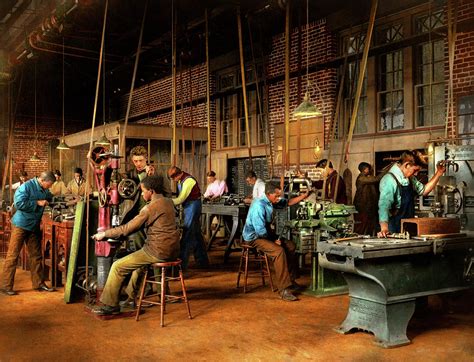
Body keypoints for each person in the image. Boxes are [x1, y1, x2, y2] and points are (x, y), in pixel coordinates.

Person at [91, 176, 180, 315]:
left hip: (157, 252)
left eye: (144, 191)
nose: (143, 194)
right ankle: (130, 297)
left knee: (118, 266)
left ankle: (110, 305)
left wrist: (104, 234)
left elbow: (127, 229)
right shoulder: (169, 202)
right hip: (173, 250)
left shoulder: (149, 208)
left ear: (151, 191)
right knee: (138, 266)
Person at [242, 181, 309, 301]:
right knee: (278, 251)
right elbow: (260, 230)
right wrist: (273, 240)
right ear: (268, 193)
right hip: (254, 237)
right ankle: (284, 289)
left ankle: (291, 279)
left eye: (279, 195)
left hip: (265, 233)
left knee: (291, 245)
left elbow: (288, 202)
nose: (278, 198)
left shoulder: (272, 200)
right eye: (276, 196)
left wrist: (304, 196)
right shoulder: (258, 205)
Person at [0, 171, 56, 296]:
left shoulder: (43, 189)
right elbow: (19, 204)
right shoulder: (26, 186)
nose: (50, 187)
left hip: (34, 225)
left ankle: (39, 284)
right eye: (50, 184)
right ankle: (6, 286)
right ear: (42, 180)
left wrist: (68, 198)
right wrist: (37, 203)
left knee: (36, 256)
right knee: (13, 255)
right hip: (20, 225)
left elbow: (51, 197)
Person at [378, 150, 446, 237]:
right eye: (415, 170)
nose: (416, 174)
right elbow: (384, 206)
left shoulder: (410, 178)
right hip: (394, 227)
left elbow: (424, 191)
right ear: (407, 165)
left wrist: (439, 173)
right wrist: (384, 229)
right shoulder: (389, 180)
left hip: (409, 224)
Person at [123, 145, 171, 251]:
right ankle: (142, 263)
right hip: (138, 214)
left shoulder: (158, 173)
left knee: (156, 243)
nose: (138, 164)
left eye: (140, 160)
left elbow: (168, 194)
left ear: (146, 158)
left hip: (156, 214)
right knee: (135, 238)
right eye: (135, 161)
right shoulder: (130, 174)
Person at [167, 166, 209, 270]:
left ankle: (181, 265)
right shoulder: (181, 180)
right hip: (188, 206)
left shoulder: (189, 180)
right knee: (197, 234)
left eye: (173, 179)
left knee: (187, 234)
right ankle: (203, 262)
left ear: (177, 175)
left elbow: (181, 199)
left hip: (193, 206)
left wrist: (166, 201)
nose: (174, 181)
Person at [353, 162, 382, 236]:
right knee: (362, 225)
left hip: (367, 206)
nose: (369, 170)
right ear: (365, 169)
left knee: (369, 224)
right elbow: (376, 179)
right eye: (368, 169)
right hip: (362, 206)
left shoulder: (366, 177)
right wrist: (388, 170)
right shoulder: (361, 178)